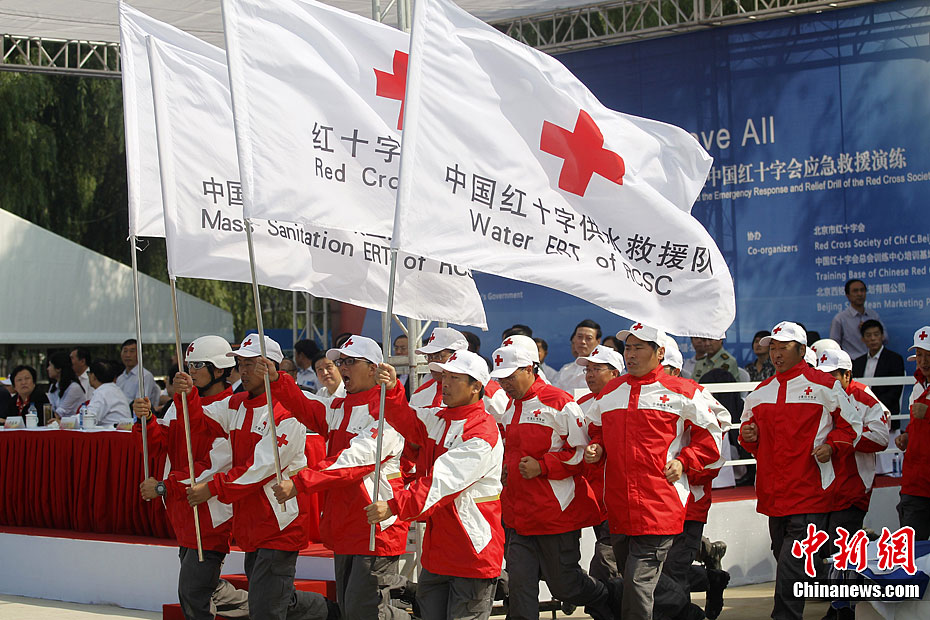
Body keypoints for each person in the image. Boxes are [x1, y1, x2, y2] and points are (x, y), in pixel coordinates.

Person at [181, 335, 334, 620]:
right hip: (252, 524)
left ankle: (334, 611)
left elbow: (259, 468)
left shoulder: (287, 411)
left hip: (279, 525)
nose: (243, 371)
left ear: (271, 367)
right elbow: (199, 422)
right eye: (240, 364)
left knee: (266, 608)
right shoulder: (237, 404)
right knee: (275, 601)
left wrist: (212, 488)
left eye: (251, 364)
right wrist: (188, 393)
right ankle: (334, 612)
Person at [260, 335, 410, 620]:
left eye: (350, 361)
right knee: (352, 609)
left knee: (364, 611)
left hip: (374, 525)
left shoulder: (386, 410)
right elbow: (309, 410)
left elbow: (354, 460)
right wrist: (278, 380)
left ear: (374, 368)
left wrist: (301, 483)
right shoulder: (340, 405)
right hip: (345, 524)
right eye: (341, 361)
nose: (343, 368)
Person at [584, 322, 727, 620]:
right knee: (633, 579)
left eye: (639, 347)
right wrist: (597, 447)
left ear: (659, 352)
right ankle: (693, 607)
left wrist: (685, 460)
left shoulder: (683, 391)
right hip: (619, 506)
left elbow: (712, 435)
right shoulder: (611, 391)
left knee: (637, 583)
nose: (631, 354)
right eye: (628, 347)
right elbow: (594, 428)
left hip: (659, 504)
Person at [366, 350, 504, 620]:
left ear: (477, 386)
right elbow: (405, 418)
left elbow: (442, 481)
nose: (445, 384)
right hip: (438, 550)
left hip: (471, 550)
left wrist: (394, 505)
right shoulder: (439, 418)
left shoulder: (481, 432)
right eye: (443, 376)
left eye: (454, 378)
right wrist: (393, 388)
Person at [739, 321, 860, 620]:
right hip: (773, 493)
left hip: (810, 491)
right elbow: (746, 432)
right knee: (787, 557)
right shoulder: (761, 391)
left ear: (802, 350)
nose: (776, 354)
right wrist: (748, 435)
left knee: (792, 562)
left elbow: (852, 426)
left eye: (784, 348)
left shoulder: (825, 385)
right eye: (773, 348)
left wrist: (832, 445)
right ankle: (838, 581)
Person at [489, 341, 616, 620]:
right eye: (501, 378)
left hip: (555, 515)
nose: (505, 383)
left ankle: (608, 595)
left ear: (529, 369)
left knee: (565, 586)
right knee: (521, 589)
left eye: (510, 376)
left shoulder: (560, 403)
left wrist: (543, 466)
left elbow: (582, 454)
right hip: (517, 515)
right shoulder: (508, 407)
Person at [132, 335, 249, 620]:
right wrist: (146, 420)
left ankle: (281, 605)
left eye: (198, 365)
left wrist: (163, 486)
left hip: (210, 510)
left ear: (219, 370)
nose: (189, 371)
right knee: (203, 588)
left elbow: (211, 465)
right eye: (188, 364)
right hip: (182, 508)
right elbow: (160, 444)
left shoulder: (232, 407)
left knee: (193, 591)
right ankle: (275, 605)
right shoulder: (181, 402)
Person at [816, 348, 890, 620]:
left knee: (838, 551)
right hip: (820, 489)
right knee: (821, 551)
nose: (827, 382)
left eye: (832, 377)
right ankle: (868, 542)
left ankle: (841, 610)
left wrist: (842, 440)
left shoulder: (864, 398)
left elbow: (881, 437)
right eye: (822, 376)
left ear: (847, 375)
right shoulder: (819, 396)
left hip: (852, 488)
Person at [573, 346, 625, 584]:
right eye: (588, 369)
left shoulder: (627, 400)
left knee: (608, 563)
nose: (590, 374)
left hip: (620, 495)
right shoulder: (580, 404)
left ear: (614, 373)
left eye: (597, 369)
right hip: (593, 497)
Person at [895, 325, 930, 540]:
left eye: (928, 355)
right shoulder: (917, 387)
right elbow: (918, 425)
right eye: (919, 355)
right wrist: (908, 435)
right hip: (914, 484)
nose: (924, 361)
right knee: (911, 550)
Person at [851, 319, 905, 425]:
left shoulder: (895, 359)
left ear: (882, 336)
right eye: (868, 335)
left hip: (886, 417)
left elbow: (895, 391)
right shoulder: (857, 363)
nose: (873, 339)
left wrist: (873, 406)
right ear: (863, 339)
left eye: (876, 334)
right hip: (861, 417)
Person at [409, 327, 470, 408]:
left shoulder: (476, 391)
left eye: (438, 356)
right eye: (429, 357)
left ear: (458, 355)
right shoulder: (419, 394)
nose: (432, 362)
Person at [830, 279, 886, 359]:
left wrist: (869, 329)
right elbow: (834, 346)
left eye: (862, 290)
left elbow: (885, 338)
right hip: (852, 362)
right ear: (847, 295)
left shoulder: (873, 315)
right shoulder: (840, 319)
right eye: (855, 291)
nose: (859, 294)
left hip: (874, 359)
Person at [552, 319, 602, 394]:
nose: (583, 342)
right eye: (579, 337)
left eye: (588, 338)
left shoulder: (603, 370)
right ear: (574, 339)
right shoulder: (565, 369)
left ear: (598, 341)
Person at [85, 360, 133, 426]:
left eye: (88, 373)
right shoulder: (114, 389)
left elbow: (88, 419)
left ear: (93, 376)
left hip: (112, 434)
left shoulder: (102, 392)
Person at [115, 338, 161, 404]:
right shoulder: (120, 378)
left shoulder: (145, 376)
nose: (128, 355)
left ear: (140, 354)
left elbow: (141, 403)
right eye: (125, 351)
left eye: (132, 351)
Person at [47, 351, 85, 418]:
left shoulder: (74, 388)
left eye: (50, 365)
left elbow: (61, 412)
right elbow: (50, 409)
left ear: (58, 369)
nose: (48, 369)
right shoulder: (53, 386)